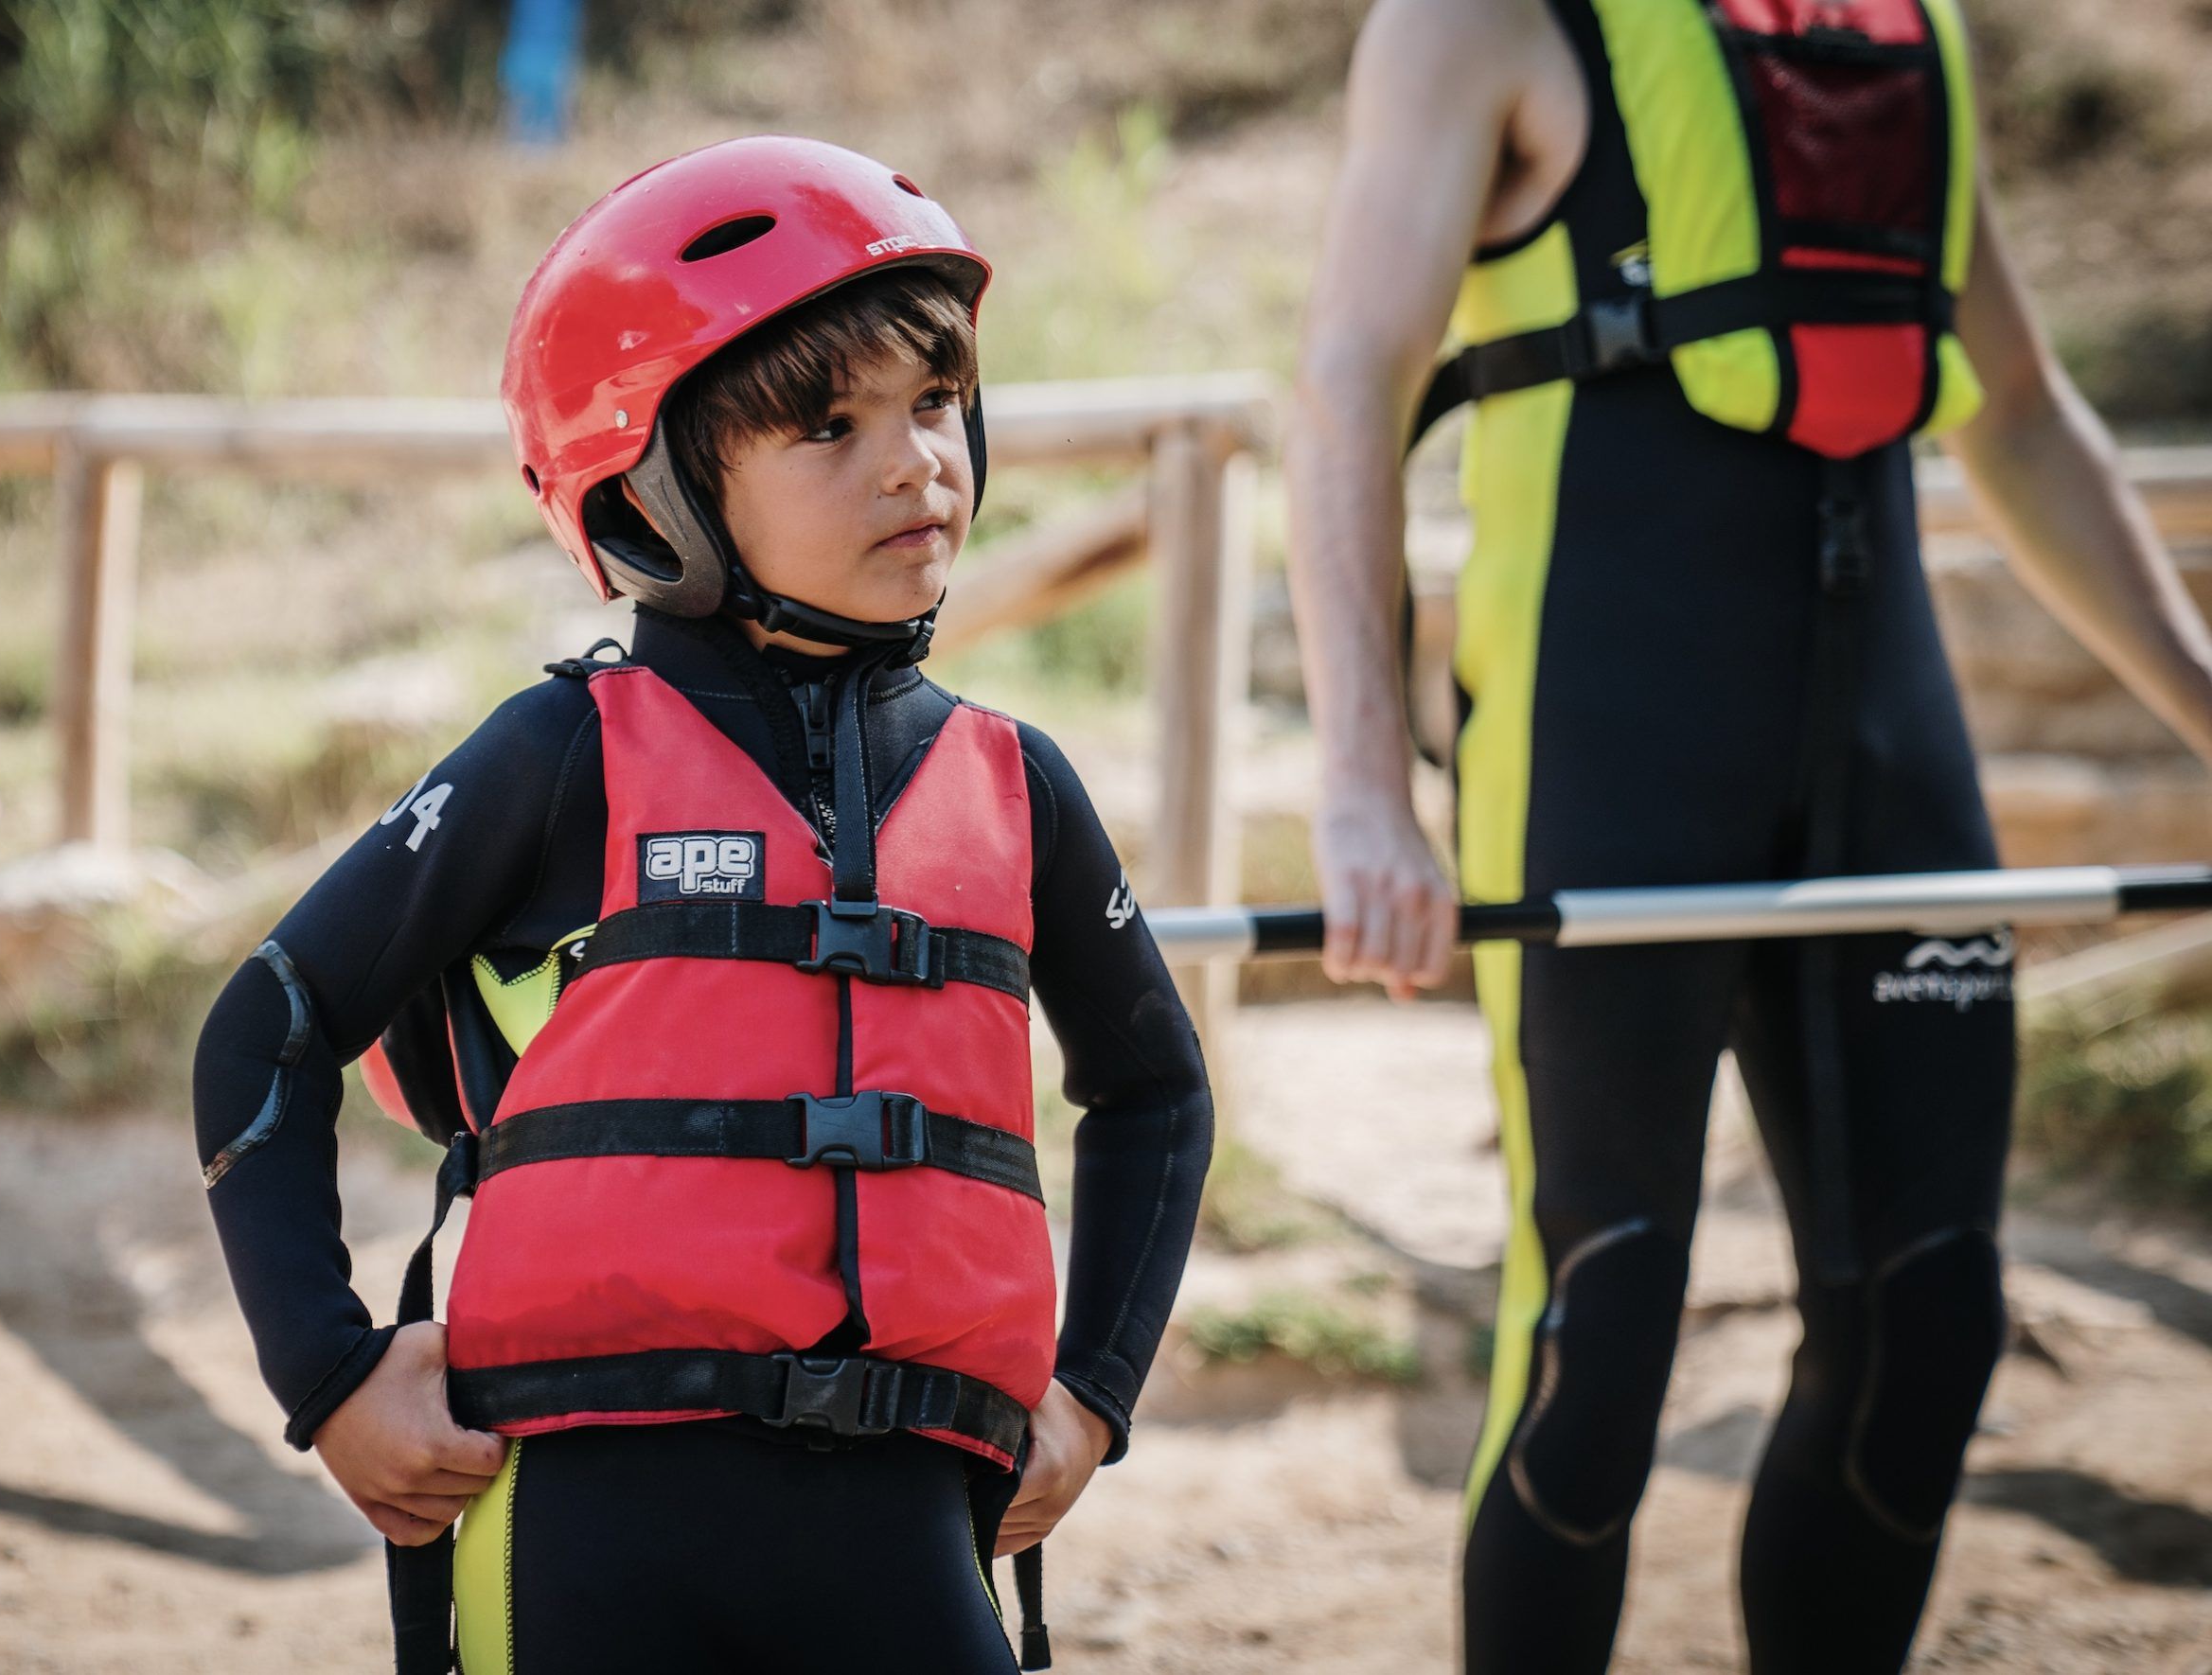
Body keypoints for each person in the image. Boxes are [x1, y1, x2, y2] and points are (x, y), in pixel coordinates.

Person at [192, 135, 1213, 1675]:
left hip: (910, 1508)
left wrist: (1093, 1394)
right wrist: (330, 1374)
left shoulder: (1022, 787)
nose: (912, 461)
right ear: (658, 491)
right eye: (828, 425)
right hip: (587, 1516)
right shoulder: (559, 756)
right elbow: (264, 1029)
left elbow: (1156, 1089)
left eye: (934, 403)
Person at [1284, 1, 2212, 1671]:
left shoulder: (1907, 31)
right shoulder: (1481, 21)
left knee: (1932, 1319)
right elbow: (1351, 374)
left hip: (1888, 767)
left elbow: (2013, 410)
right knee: (1606, 1318)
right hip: (1602, 751)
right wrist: (1366, 781)